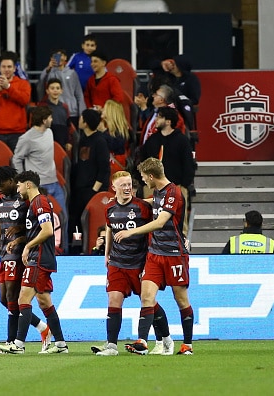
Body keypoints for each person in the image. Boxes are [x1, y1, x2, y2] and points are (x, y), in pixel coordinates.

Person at [114, 157, 194, 356]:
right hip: (155, 254)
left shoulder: (174, 192)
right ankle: (142, 342)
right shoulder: (158, 192)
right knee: (146, 296)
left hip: (174, 254)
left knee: (181, 299)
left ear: (151, 176)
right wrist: (127, 202)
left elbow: (160, 222)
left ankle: (188, 345)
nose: (142, 182)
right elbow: (150, 203)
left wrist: (131, 232)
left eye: (142, 177)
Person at [91, 171, 173, 356]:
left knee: (149, 302)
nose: (128, 188)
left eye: (129, 184)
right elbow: (110, 229)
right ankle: (111, 346)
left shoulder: (142, 207)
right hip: (117, 263)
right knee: (114, 300)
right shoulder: (109, 208)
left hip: (140, 263)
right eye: (123, 185)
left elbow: (159, 222)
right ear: (114, 188)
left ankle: (165, 339)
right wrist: (106, 253)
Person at [0, 166, 52, 354]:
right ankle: (42, 327)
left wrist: (20, 233)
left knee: (13, 297)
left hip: (20, 255)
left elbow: (34, 226)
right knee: (4, 299)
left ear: (12, 181)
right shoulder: (1, 201)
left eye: (1, 184)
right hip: (4, 254)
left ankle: (13, 341)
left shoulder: (26, 200)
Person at [0, 170, 68, 354]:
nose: (17, 188)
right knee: (44, 301)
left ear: (28, 184)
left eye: (19, 185)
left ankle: (18, 344)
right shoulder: (34, 204)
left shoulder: (40, 202)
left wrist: (28, 247)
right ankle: (61, 344)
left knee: (23, 299)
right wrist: (21, 241)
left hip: (39, 258)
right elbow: (36, 230)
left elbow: (47, 230)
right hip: (40, 257)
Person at [140, 107, 195, 235]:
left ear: (168, 121)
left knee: (180, 221)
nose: (156, 120)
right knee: (150, 218)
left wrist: (183, 185)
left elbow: (188, 165)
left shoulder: (182, 141)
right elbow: (142, 162)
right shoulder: (152, 141)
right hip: (153, 188)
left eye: (159, 117)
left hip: (176, 186)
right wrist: (145, 183)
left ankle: (183, 244)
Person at [12, 105, 66, 217]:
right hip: (38, 186)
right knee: (42, 219)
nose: (52, 120)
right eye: (50, 117)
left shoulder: (49, 132)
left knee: (63, 217)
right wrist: (23, 179)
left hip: (54, 183)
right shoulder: (26, 139)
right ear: (44, 120)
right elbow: (17, 159)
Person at [69, 109, 110, 246]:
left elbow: (104, 168)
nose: (78, 120)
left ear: (85, 122)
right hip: (80, 188)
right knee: (75, 220)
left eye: (81, 118)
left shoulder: (100, 141)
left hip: (91, 189)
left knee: (88, 220)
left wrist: (94, 190)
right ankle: (77, 246)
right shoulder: (83, 139)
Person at [0, 51, 31, 152]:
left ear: (14, 68)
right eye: (3, 67)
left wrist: (8, 87)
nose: (6, 70)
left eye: (9, 67)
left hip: (17, 133)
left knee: (17, 166)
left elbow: (25, 100)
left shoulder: (23, 84)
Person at [37, 49, 86, 128]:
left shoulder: (72, 73)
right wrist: (48, 68)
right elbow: (40, 85)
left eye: (61, 55)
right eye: (56, 56)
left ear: (66, 57)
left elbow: (79, 94)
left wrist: (82, 113)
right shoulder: (49, 72)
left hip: (72, 112)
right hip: (54, 111)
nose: (59, 58)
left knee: (73, 137)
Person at [38, 78, 74, 152]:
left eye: (58, 88)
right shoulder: (42, 106)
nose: (55, 90)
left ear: (61, 91)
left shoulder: (65, 107)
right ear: (47, 91)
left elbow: (68, 126)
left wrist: (69, 141)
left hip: (62, 144)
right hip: (46, 145)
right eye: (52, 88)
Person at [100, 99, 131, 175]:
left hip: (115, 166)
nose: (102, 110)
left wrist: (103, 131)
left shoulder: (121, 130)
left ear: (110, 112)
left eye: (104, 108)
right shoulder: (106, 128)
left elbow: (113, 145)